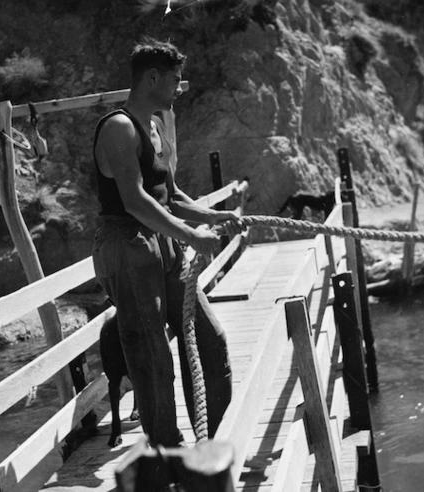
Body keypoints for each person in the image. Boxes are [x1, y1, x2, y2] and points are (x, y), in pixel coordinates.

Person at [91, 37, 243, 447]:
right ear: (152, 78)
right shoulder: (119, 128)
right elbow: (134, 199)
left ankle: (213, 439)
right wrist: (192, 234)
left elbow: (169, 194)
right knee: (152, 357)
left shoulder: (155, 126)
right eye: (174, 80)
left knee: (211, 341)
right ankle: (168, 454)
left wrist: (211, 215)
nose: (179, 87)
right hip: (127, 246)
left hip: (163, 241)